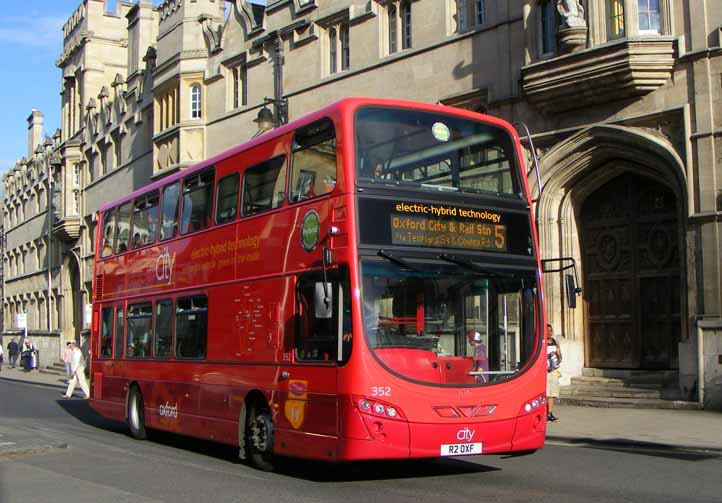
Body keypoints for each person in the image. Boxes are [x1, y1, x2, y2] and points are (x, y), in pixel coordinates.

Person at [546, 323, 562, 422]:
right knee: (546, 392)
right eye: (547, 330)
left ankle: (550, 413)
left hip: (553, 370)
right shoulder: (542, 343)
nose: (549, 332)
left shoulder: (555, 342)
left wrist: (558, 358)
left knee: (552, 392)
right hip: (544, 371)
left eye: (550, 331)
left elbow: (559, 355)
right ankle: (544, 413)